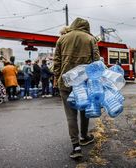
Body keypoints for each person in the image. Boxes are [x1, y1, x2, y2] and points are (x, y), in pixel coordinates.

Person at [53, 17, 100, 159]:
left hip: (66, 82)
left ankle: (76, 146)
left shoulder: (62, 39)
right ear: (86, 27)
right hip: (84, 83)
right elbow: (96, 62)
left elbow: (57, 62)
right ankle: (84, 136)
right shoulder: (91, 39)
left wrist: (57, 76)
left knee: (70, 115)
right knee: (84, 110)